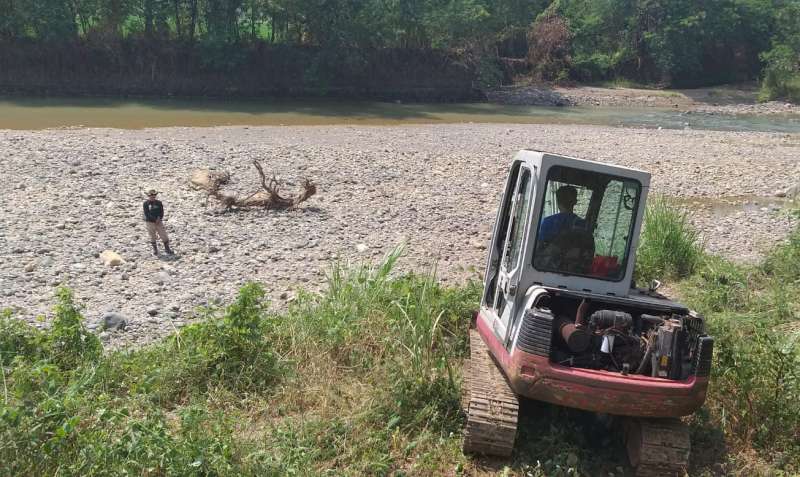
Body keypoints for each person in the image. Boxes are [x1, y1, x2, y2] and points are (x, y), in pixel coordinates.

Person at [143, 189, 173, 256]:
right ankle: (155, 249)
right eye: (151, 196)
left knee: (163, 234)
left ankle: (167, 248)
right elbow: (147, 213)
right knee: (152, 235)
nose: (153, 198)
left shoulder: (159, 203)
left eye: (154, 196)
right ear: (148, 196)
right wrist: (154, 220)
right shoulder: (146, 204)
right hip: (150, 222)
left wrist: (159, 218)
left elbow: (161, 211)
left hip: (159, 221)